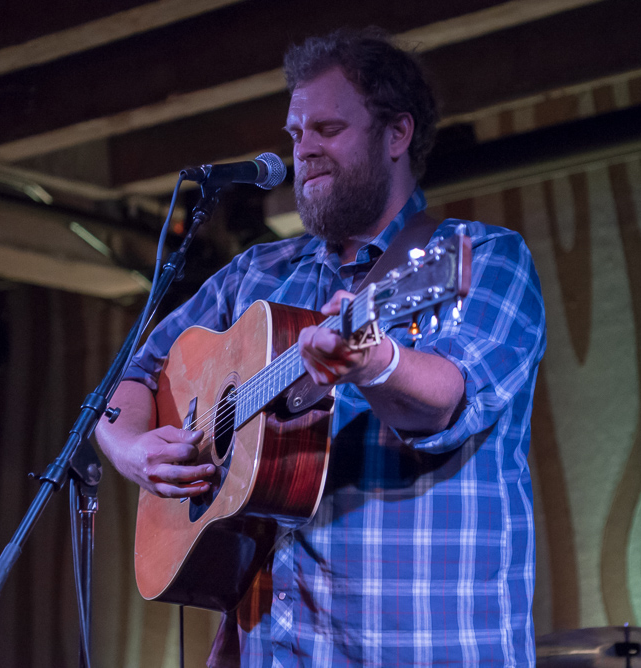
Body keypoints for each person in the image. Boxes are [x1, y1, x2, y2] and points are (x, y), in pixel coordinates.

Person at [96, 27, 546, 668]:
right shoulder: (256, 275)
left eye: (327, 130)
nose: (303, 150)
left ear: (397, 135)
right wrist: (134, 448)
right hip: (278, 647)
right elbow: (124, 381)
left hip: (426, 644)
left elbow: (449, 401)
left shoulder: (483, 257)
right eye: (296, 134)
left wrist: (374, 361)